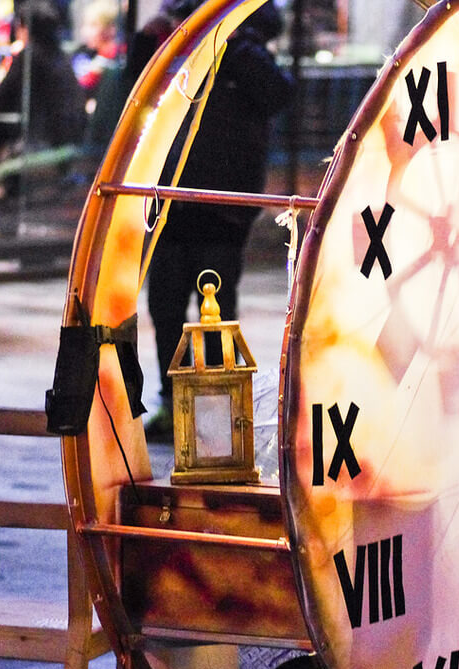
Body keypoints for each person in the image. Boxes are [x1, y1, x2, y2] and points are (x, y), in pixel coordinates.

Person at [142, 3, 293, 440]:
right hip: (173, 199)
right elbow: (140, 90)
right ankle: (174, 402)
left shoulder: (244, 46)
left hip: (221, 204)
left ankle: (215, 410)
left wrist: (227, 41)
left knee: (215, 308)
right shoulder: (174, 37)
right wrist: (154, 37)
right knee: (166, 304)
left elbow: (278, 92)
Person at [0, 0, 86, 168]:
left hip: (40, 146)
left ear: (24, 28)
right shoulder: (60, 56)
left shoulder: (29, 57)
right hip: (65, 145)